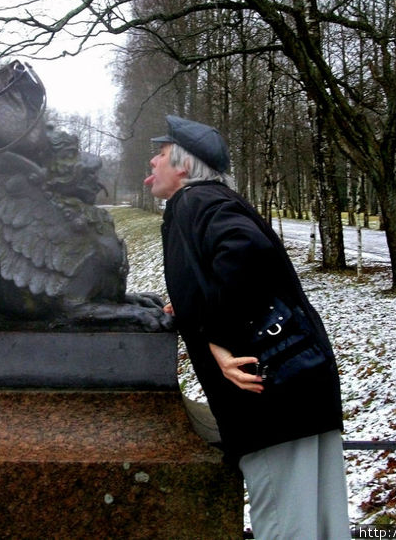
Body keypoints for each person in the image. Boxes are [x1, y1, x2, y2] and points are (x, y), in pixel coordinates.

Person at [145, 114, 350, 539]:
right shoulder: (217, 200)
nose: (151, 161)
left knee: (285, 528)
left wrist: (215, 337)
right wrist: (187, 308)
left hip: (270, 400)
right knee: (323, 527)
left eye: (160, 154)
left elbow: (245, 253)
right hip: (301, 385)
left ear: (183, 165)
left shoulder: (194, 202)